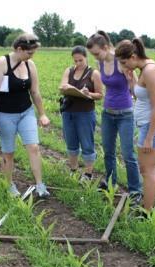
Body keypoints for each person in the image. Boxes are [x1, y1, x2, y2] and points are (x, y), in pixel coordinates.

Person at [0, 33, 51, 198]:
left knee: (34, 147)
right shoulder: (1, 63)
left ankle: (40, 185)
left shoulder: (30, 65)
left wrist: (42, 114)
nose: (31, 56)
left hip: (26, 112)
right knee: (8, 152)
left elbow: (35, 91)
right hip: (5, 115)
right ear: (19, 49)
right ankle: (9, 184)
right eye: (29, 53)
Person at [86, 31, 142, 202]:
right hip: (107, 113)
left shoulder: (122, 61)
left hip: (125, 113)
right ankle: (111, 183)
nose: (95, 57)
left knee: (128, 154)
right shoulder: (100, 62)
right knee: (108, 152)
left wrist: (131, 79)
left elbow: (136, 90)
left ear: (106, 47)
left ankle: (135, 191)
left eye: (96, 53)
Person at [115, 38, 155, 211]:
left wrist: (149, 138)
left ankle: (147, 211)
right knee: (146, 169)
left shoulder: (151, 71)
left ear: (132, 56)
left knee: (148, 170)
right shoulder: (144, 69)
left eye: (124, 63)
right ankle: (147, 205)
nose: (124, 67)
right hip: (146, 125)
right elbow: (143, 98)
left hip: (151, 126)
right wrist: (131, 81)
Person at [59, 46, 103, 179]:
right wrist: (67, 88)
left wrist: (88, 93)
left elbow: (100, 95)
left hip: (85, 113)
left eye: (80, 60)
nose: (78, 63)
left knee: (87, 143)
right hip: (68, 112)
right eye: (75, 61)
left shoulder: (94, 73)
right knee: (71, 142)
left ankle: (88, 173)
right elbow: (62, 86)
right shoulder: (69, 71)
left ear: (86, 58)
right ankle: (73, 170)